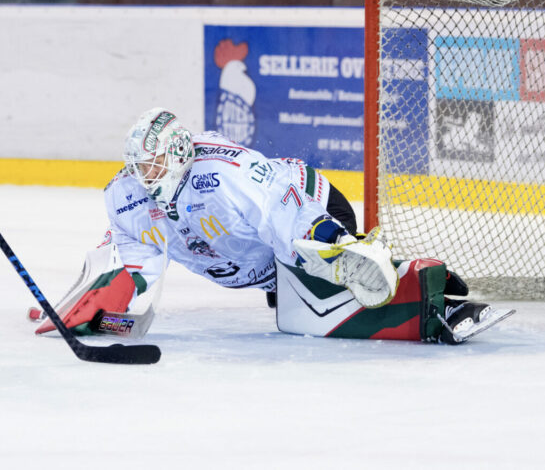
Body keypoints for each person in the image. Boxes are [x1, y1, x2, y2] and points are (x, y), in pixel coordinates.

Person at [35, 108, 508, 344]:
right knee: (289, 304)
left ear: (179, 155)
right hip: (262, 264)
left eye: (154, 164)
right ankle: (323, 283)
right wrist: (98, 309)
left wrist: (336, 246)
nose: (145, 175)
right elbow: (134, 260)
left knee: (315, 311)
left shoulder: (224, 173)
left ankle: (431, 303)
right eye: (138, 166)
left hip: (311, 209)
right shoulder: (126, 195)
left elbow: (285, 214)